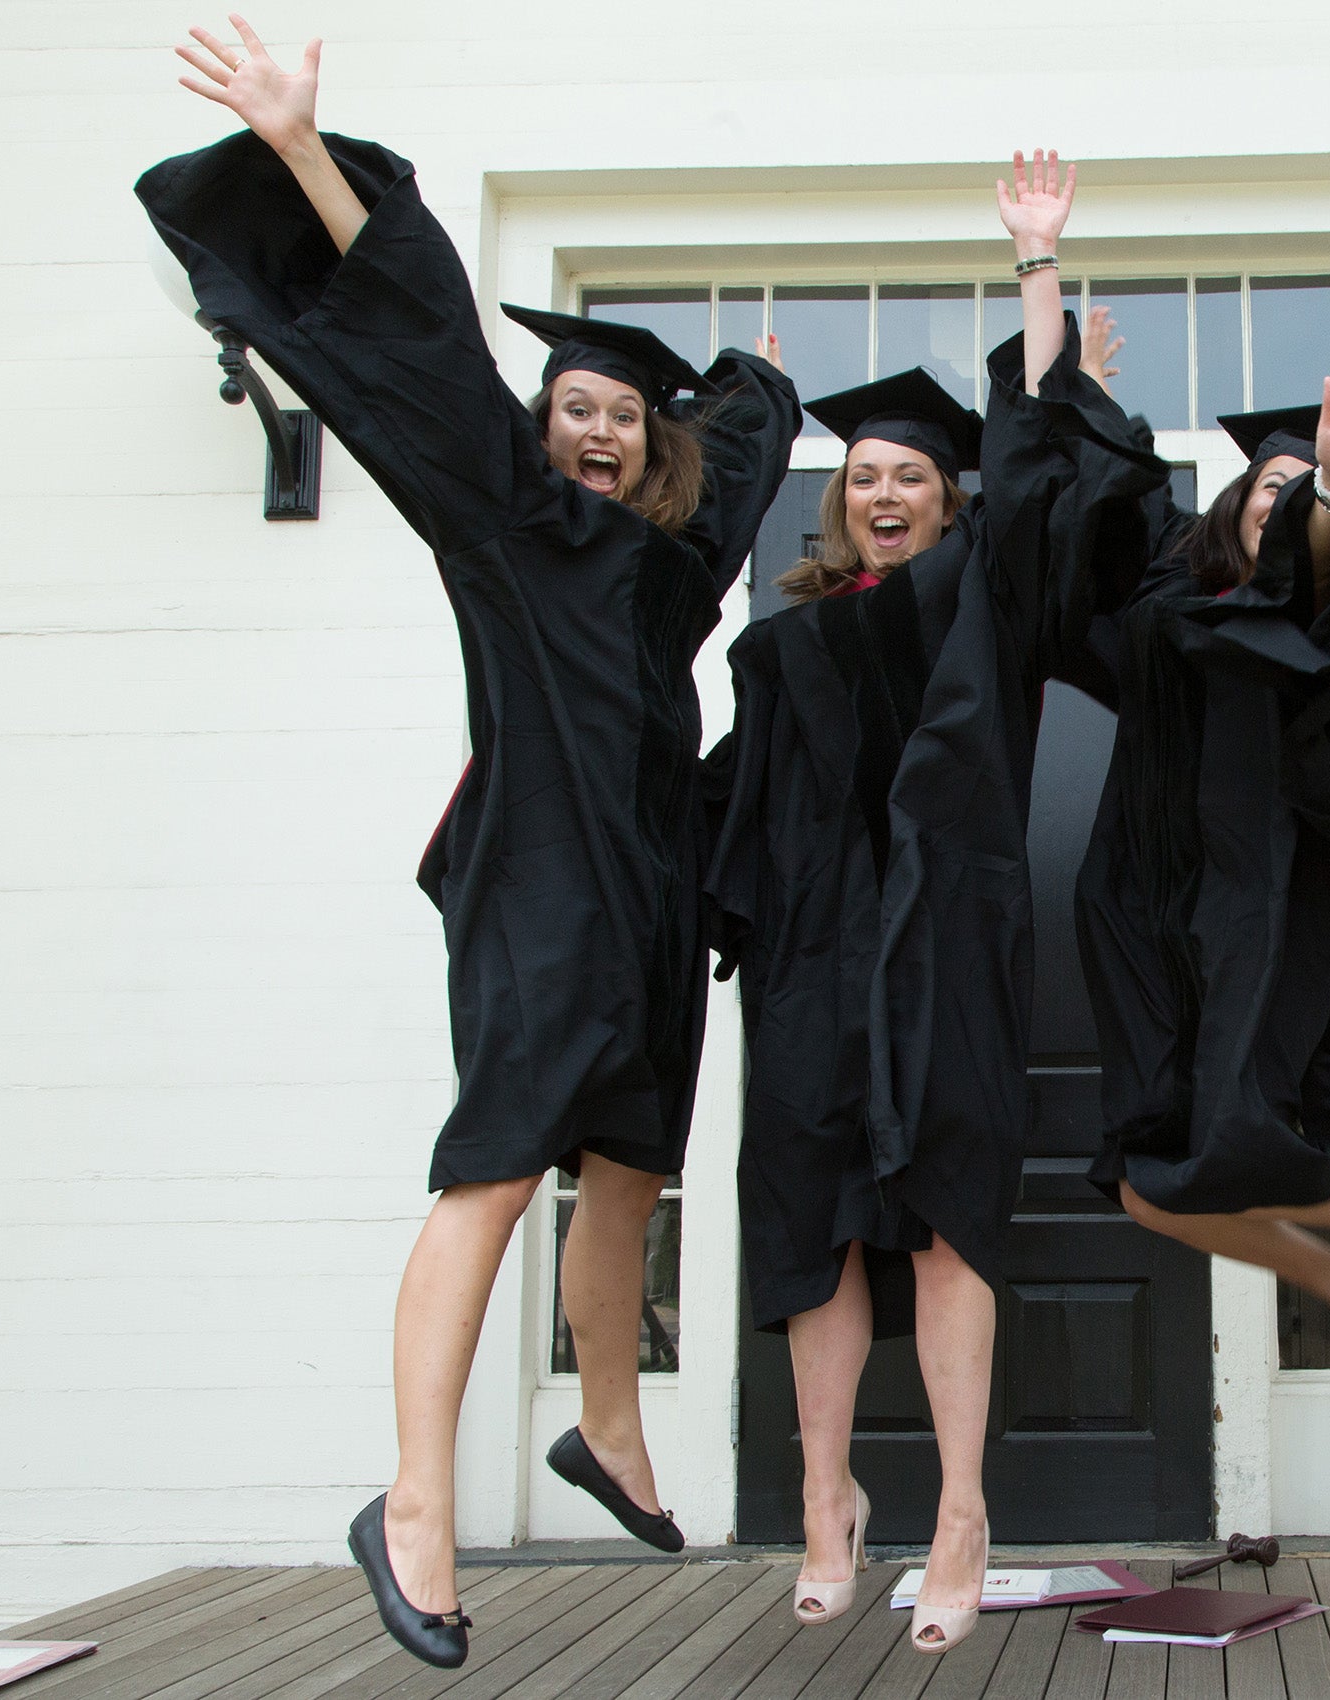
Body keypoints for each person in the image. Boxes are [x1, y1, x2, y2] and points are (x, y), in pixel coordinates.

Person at [140, 16, 800, 1669]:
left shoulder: (669, 568)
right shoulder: (504, 516)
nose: (595, 431)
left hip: (650, 890)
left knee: (636, 1161)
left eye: (622, 417)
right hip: (538, 878)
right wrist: (302, 150)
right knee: (502, 1162)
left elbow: (744, 464)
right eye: (573, 406)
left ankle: (608, 1429)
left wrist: (764, 376)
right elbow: (428, 336)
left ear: (653, 442)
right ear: (540, 425)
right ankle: (414, 1502)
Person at [704, 152, 1169, 1654]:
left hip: (950, 945)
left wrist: (1036, 264)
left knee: (949, 1220)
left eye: (912, 473)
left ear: (944, 493)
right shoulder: (783, 645)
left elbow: (1037, 480)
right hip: (809, 959)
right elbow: (736, 804)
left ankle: (961, 1508)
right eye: (864, 477)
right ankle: (829, 1492)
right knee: (813, 1227)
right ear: (836, 503)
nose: (887, 490)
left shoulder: (984, 598)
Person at [1049, 325, 1330, 1384]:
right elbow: (1089, 541)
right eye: (1269, 484)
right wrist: (1081, 402)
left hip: (1267, 918)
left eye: (1309, 490)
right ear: (1232, 503)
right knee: (1145, 1185)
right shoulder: (1169, 609)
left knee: (1235, 1132)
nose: (1284, 499)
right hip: (1141, 908)